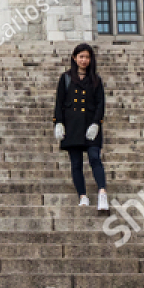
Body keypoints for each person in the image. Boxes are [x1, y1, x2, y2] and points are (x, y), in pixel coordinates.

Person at [53, 42, 108, 212]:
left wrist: (96, 123)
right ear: (74, 58)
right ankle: (83, 196)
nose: (84, 60)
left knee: (94, 157)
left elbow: (101, 104)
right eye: (81, 56)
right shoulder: (66, 78)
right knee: (76, 163)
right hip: (72, 126)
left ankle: (102, 193)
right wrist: (58, 123)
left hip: (90, 125)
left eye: (87, 57)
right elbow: (59, 102)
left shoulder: (96, 80)